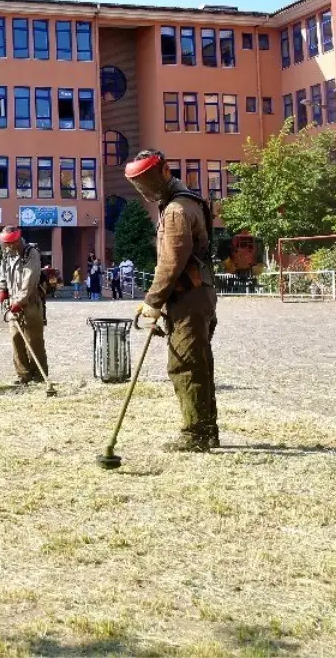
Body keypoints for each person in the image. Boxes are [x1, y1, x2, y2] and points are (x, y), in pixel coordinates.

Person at [126, 149, 219, 452]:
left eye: (148, 180)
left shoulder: (178, 209)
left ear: (165, 171)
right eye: (140, 183)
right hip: (192, 292)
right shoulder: (179, 203)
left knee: (186, 364)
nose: (146, 188)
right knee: (198, 362)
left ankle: (196, 433)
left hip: (189, 294)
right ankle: (206, 430)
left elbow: (171, 262)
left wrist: (153, 301)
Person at [0, 226, 51, 392]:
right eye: (4, 244)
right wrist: (2, 289)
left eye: (9, 244)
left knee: (34, 341)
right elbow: (3, 273)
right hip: (12, 304)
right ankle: (23, 376)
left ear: (16, 241)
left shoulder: (30, 253)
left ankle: (39, 377)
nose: (6, 247)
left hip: (30, 304)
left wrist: (19, 301)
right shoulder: (7, 255)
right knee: (16, 339)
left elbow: (30, 279)